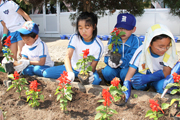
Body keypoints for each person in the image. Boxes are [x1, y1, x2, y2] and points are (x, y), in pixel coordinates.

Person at [43, 12, 104, 85]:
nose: (83, 31)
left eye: (87, 28)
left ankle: (79, 78)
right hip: (72, 67)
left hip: (85, 71)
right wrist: (70, 72)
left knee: (95, 81)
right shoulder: (75, 37)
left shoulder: (98, 45)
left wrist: (88, 74)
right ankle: (73, 76)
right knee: (47, 74)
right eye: (80, 28)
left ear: (94, 27)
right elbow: (67, 57)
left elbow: (93, 66)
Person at [124, 24, 178, 103]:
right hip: (145, 74)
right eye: (160, 46)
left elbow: (166, 73)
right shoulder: (141, 51)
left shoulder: (169, 52)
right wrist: (126, 89)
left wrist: (149, 78)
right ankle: (146, 88)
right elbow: (129, 74)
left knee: (163, 86)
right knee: (136, 82)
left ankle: (155, 88)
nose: (164, 49)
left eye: (167, 46)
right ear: (149, 43)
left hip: (160, 77)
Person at [101, 13, 142, 84]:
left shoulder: (136, 41)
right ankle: (114, 83)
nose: (122, 31)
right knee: (107, 71)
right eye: (120, 28)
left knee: (124, 73)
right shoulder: (113, 39)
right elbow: (107, 53)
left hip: (128, 68)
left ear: (134, 29)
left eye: (126, 29)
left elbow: (133, 57)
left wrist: (121, 62)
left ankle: (126, 84)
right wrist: (109, 61)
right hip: (115, 68)